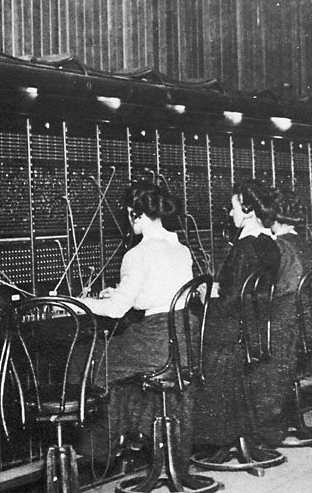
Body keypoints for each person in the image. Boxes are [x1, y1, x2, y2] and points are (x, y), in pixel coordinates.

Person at [74, 181, 195, 469]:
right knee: (118, 363)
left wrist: (79, 302)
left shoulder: (137, 254)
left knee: (88, 360)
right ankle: (131, 436)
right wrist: (120, 291)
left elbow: (117, 311)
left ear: (134, 214)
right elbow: (156, 292)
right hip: (183, 336)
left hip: (156, 339)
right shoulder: (181, 249)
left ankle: (100, 451)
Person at [192, 179, 281, 457]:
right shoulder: (268, 243)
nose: (230, 214)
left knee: (189, 335)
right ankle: (239, 436)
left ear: (248, 209)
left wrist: (206, 293)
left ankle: (215, 439)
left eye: (233, 208)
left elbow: (231, 302)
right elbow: (246, 289)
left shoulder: (244, 247)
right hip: (255, 329)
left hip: (231, 334)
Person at [258, 187, 312, 445]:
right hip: (304, 324)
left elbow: (273, 291)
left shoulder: (279, 247)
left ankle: (265, 432)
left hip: (283, 326)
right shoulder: (304, 243)